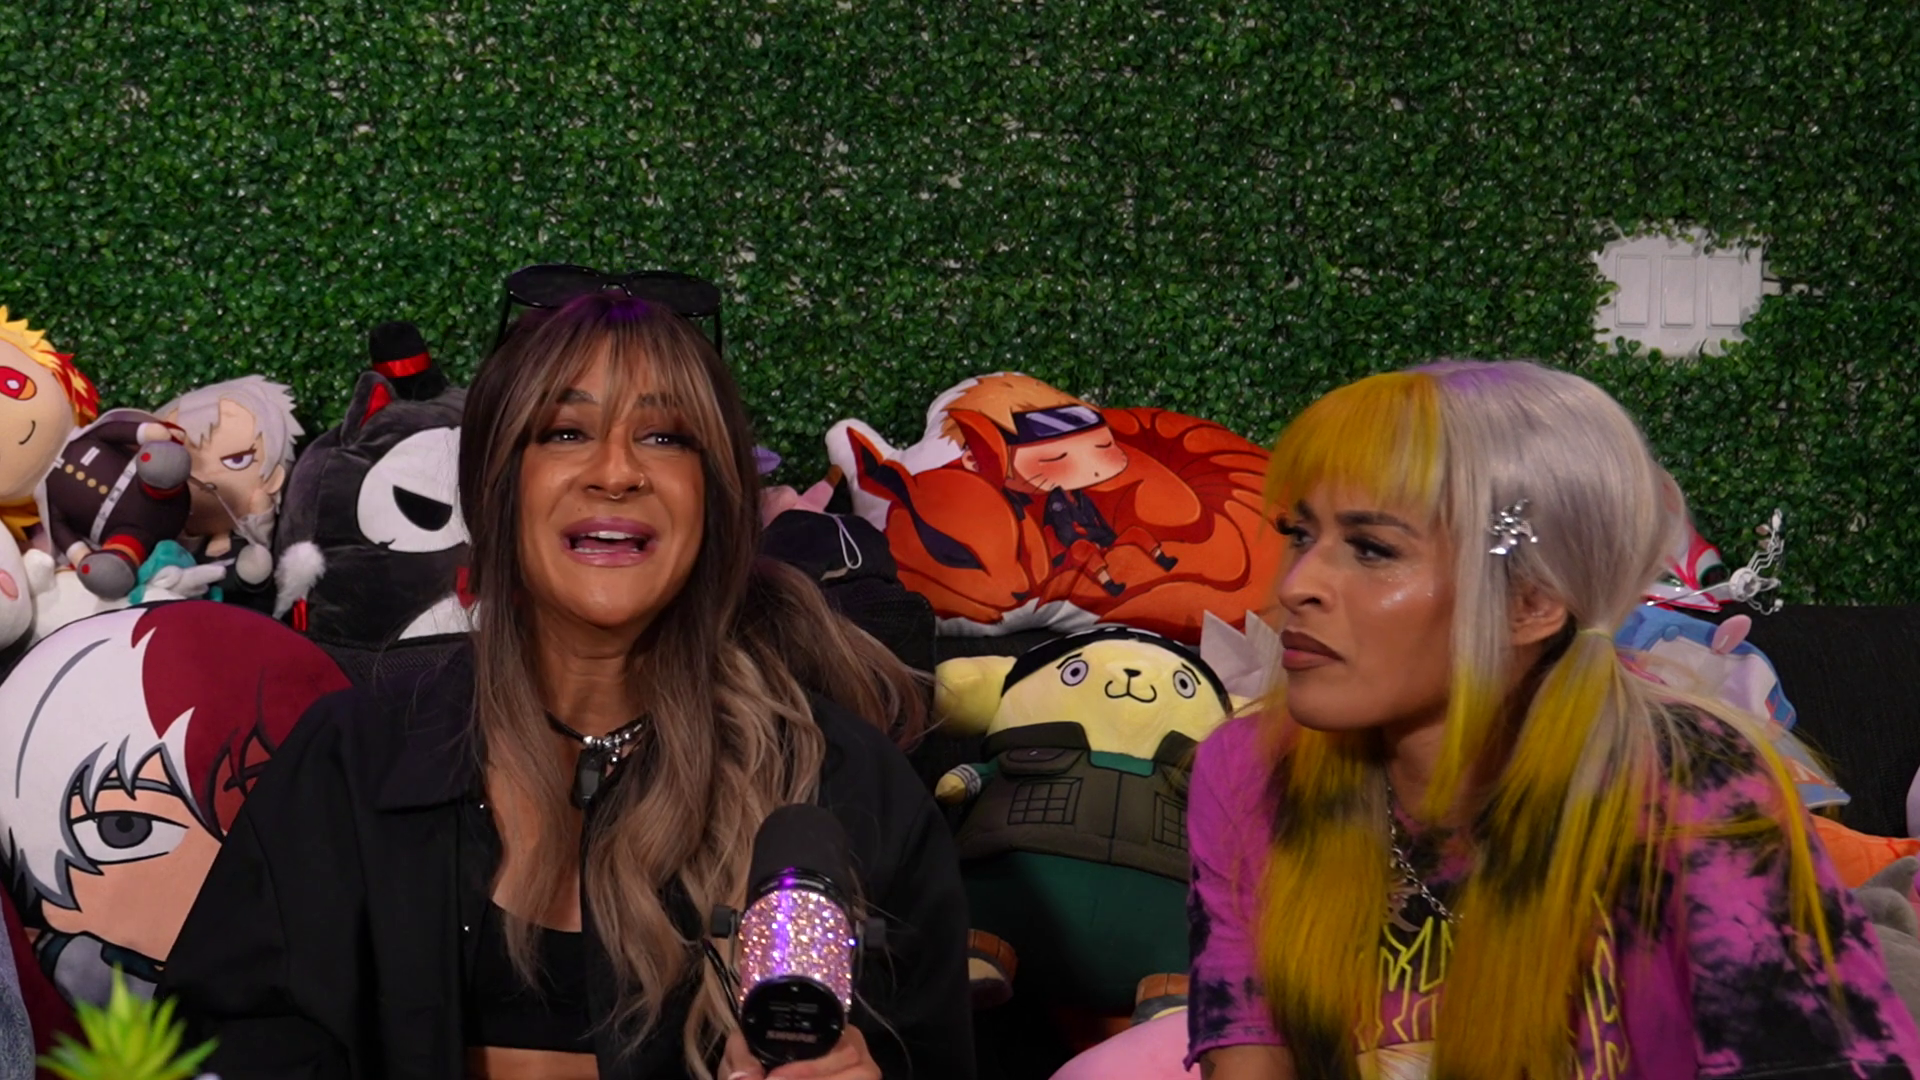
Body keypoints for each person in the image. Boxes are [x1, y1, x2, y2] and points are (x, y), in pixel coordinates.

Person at [162, 293, 973, 1080]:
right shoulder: (348, 760)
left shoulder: (847, 788)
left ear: (718, 498)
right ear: (495, 488)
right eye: (565, 432)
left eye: (665, 436)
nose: (615, 473)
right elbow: (223, 1044)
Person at [1186, 361, 1920, 1079]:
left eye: (1373, 549)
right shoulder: (1249, 769)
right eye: (1300, 534)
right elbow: (1250, 1049)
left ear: (1530, 604)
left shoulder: (1697, 782)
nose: (1298, 584)